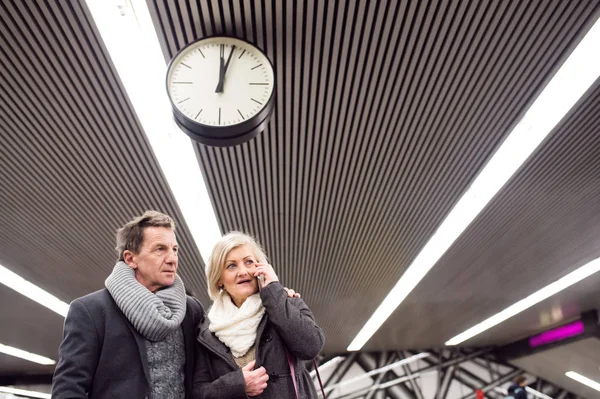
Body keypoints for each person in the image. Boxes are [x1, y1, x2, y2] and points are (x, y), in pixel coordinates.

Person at [52, 211, 204, 399]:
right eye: (160, 249)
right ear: (131, 259)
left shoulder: (191, 311)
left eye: (174, 249)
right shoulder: (91, 311)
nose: (172, 259)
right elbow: (68, 388)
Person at [193, 231, 325, 398]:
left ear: (261, 267)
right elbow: (197, 393)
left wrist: (274, 292)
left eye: (249, 262)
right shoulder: (207, 331)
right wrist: (237, 384)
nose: (243, 271)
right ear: (219, 279)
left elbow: (311, 346)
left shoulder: (287, 302)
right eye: (231, 265)